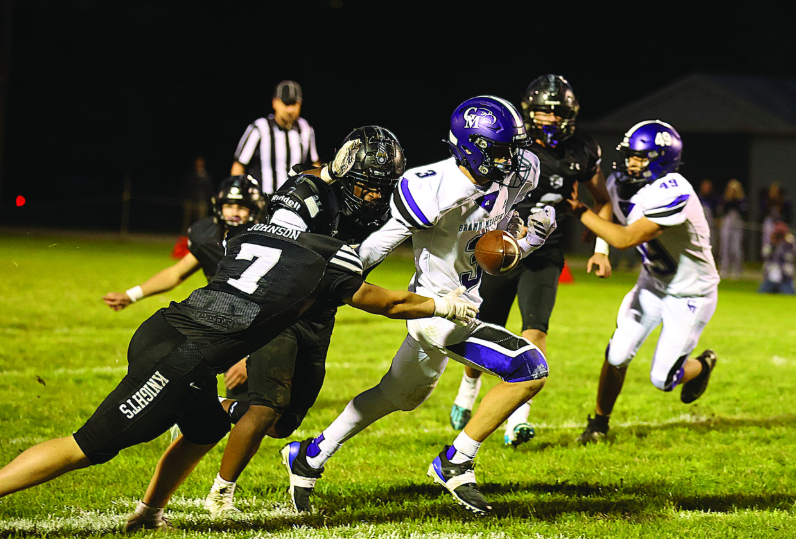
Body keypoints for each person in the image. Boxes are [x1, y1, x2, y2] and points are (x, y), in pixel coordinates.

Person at [0, 175, 480, 532]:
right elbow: (390, 302)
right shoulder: (325, 256)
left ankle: (150, 512)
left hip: (167, 331)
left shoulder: (250, 233)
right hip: (183, 355)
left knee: (205, 427)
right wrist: (445, 303)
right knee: (92, 444)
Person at [279, 95, 557, 516]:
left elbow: (493, 251)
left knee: (397, 395)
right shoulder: (433, 186)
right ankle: (456, 462)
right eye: (501, 151)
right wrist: (330, 281)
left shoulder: (520, 172)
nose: (512, 160)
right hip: (436, 310)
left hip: (467, 302)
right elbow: (379, 244)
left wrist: (527, 241)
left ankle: (308, 457)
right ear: (472, 147)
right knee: (528, 368)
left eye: (513, 150)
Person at [200, 126, 408, 516]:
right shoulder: (305, 194)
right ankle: (220, 494)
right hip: (279, 308)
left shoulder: (371, 206)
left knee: (284, 423)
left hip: (319, 314)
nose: (376, 195)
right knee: (266, 406)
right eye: (368, 186)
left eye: (384, 186)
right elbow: (272, 263)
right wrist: (246, 341)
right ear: (346, 172)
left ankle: (214, 406)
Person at [447, 75, 612, 447]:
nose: (551, 119)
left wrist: (601, 248)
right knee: (482, 329)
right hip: (501, 249)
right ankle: (467, 389)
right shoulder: (513, 147)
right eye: (543, 112)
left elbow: (602, 200)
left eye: (558, 113)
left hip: (546, 253)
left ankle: (518, 420)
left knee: (535, 330)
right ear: (529, 112)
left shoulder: (583, 150)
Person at [565, 120, 720, 445]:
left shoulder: (674, 191)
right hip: (653, 283)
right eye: (629, 155)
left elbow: (626, 238)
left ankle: (703, 366)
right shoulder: (620, 181)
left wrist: (579, 211)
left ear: (663, 158)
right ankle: (599, 424)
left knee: (663, 380)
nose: (630, 163)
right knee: (617, 354)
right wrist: (600, 248)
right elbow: (606, 211)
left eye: (641, 157)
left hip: (691, 293)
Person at [103, 175, 268, 399]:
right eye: (229, 205)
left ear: (255, 209)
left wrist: (249, 356)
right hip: (226, 322)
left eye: (242, 206)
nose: (235, 212)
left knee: (264, 408)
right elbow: (176, 273)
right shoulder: (208, 237)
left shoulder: (266, 240)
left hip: (264, 324)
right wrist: (130, 296)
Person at [231, 80, 320, 194]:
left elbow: (315, 164)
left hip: (294, 201)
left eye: (294, 104)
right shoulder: (259, 128)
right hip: (263, 201)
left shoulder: (305, 128)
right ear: (275, 103)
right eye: (286, 104)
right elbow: (238, 166)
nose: (290, 110)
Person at [719, 178, 747, 279]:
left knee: (736, 248)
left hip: (737, 222)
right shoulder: (725, 199)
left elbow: (744, 211)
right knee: (725, 246)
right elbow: (722, 211)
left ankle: (737, 270)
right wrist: (729, 199)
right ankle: (724, 269)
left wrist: (736, 199)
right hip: (727, 222)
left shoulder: (741, 200)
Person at [758, 220, 795, 294]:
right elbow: (765, 255)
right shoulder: (771, 245)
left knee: (788, 269)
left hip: (784, 277)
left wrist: (791, 242)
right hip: (771, 275)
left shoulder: (789, 245)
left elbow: (790, 258)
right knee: (771, 268)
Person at [181, 155, 214, 233]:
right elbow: (186, 186)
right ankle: (184, 236)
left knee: (201, 220)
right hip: (190, 200)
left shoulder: (206, 175)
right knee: (187, 221)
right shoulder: (191, 174)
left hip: (201, 200)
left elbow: (209, 189)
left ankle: (200, 235)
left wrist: (207, 199)